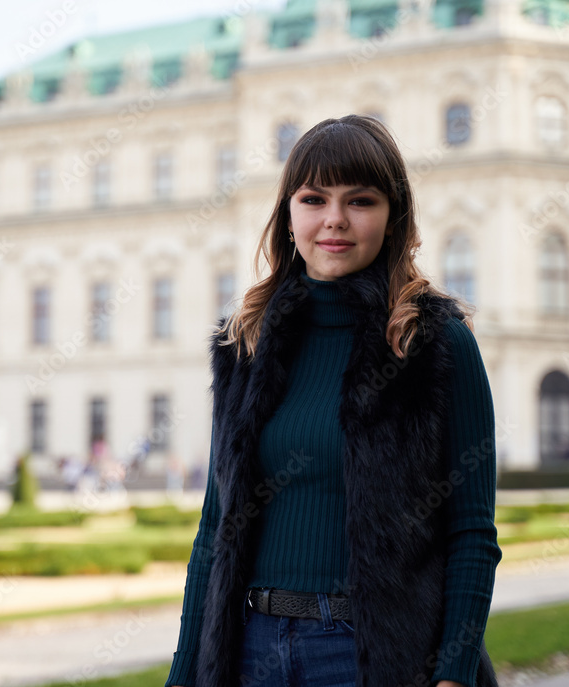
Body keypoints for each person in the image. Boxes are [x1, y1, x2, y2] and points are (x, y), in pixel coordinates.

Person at [166, 115, 502, 687]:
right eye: (314, 198)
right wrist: (183, 672)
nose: (335, 220)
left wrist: (453, 675)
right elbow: (214, 532)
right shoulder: (243, 345)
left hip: (369, 657)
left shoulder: (435, 343)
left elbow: (472, 532)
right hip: (250, 652)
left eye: (360, 200)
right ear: (288, 213)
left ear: (393, 215)